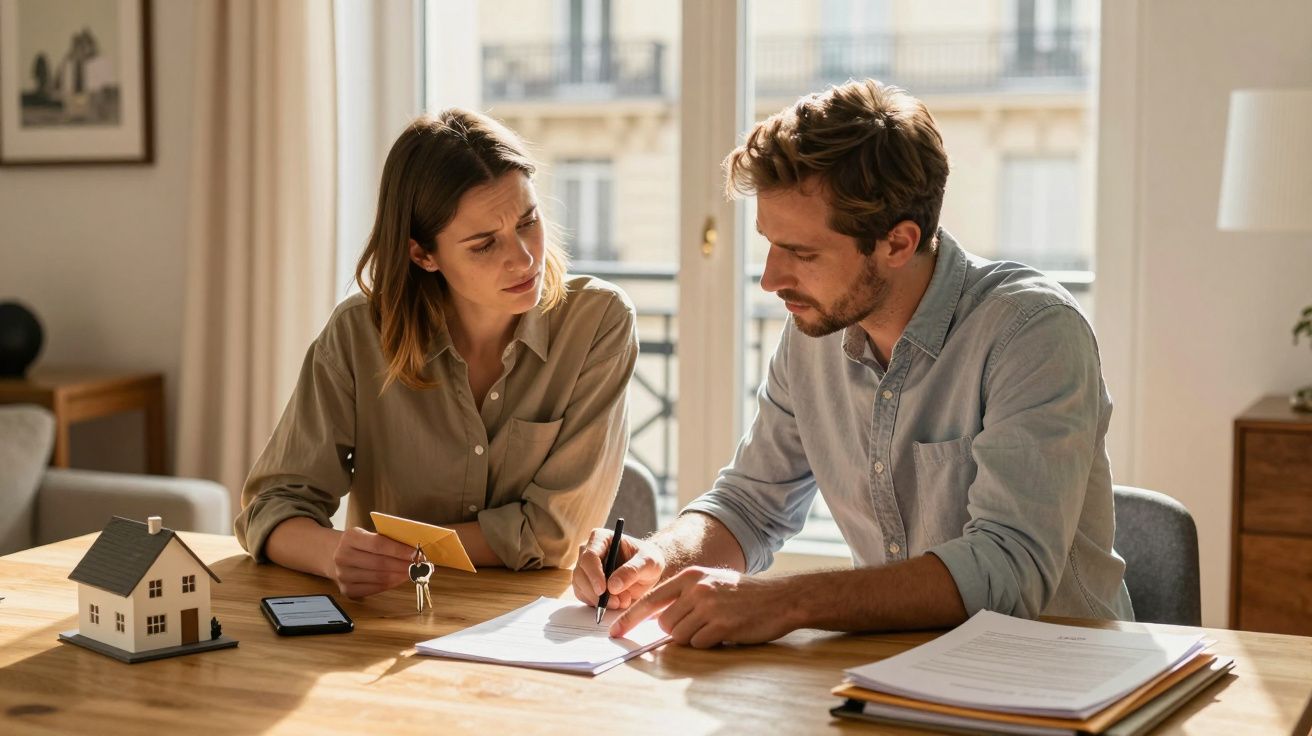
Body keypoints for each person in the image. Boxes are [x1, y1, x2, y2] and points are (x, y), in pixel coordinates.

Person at [573, 79, 1133, 648]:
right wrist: (660, 557)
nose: (770, 279)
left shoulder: (1032, 332)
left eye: (803, 253)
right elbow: (750, 504)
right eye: (769, 243)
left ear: (897, 243)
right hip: (901, 668)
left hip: (1061, 672)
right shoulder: (814, 331)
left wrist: (785, 601)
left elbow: (1007, 567)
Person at [237, 110, 638, 599]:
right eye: (484, 244)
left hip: (534, 630)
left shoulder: (598, 324)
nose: (524, 257)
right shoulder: (358, 334)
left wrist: (399, 548)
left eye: (528, 221)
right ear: (423, 255)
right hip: (387, 626)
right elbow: (271, 506)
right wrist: (331, 552)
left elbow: (554, 535)